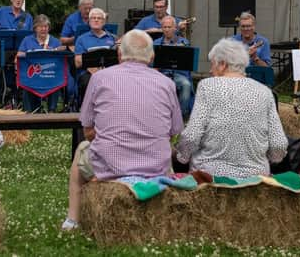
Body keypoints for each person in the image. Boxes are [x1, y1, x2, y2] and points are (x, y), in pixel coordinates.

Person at [62, 29, 183, 230]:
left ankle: (72, 220)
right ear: (152, 57)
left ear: (119, 55)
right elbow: (174, 130)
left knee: (80, 152)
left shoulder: (99, 78)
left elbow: (88, 129)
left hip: (109, 166)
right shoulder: (167, 83)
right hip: (155, 167)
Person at [174, 38, 287, 178]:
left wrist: (181, 158)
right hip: (255, 178)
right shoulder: (265, 92)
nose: (210, 70)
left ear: (222, 64)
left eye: (212, 65)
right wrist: (269, 161)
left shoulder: (208, 86)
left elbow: (191, 136)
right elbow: (279, 144)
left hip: (210, 174)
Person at [17, 14, 64, 112]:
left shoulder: (55, 41)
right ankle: (29, 111)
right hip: (32, 75)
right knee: (26, 84)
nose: (43, 29)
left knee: (56, 82)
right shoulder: (27, 40)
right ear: (35, 28)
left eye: (46, 26)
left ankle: (52, 110)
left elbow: (61, 60)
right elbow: (18, 55)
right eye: (41, 26)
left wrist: (56, 51)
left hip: (50, 75)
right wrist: (30, 53)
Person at [154, 15, 194, 121]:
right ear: (161, 28)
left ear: (175, 28)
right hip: (161, 74)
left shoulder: (183, 42)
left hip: (178, 74)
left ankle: (181, 117)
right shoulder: (156, 43)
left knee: (186, 84)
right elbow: (152, 65)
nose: (167, 30)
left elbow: (187, 65)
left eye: (169, 27)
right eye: (165, 27)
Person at [74, 8, 116, 101]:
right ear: (89, 21)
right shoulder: (81, 39)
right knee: (86, 81)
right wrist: (92, 69)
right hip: (88, 73)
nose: (96, 20)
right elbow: (77, 63)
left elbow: (118, 59)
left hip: (109, 72)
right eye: (93, 18)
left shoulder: (112, 38)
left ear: (104, 22)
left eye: (99, 18)